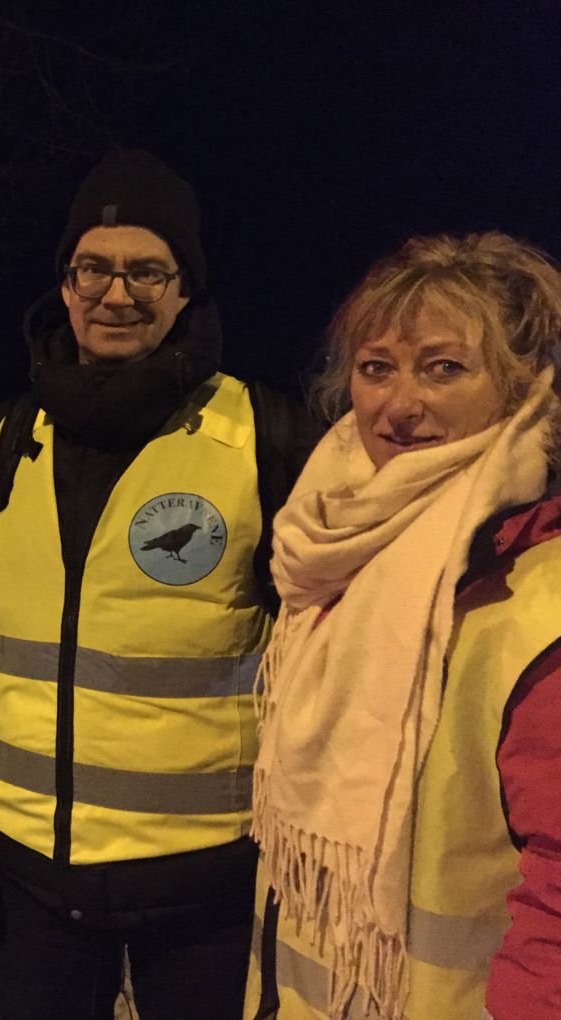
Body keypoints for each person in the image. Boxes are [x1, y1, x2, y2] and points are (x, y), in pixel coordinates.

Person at [0, 149, 318, 1019]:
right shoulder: (8, 442)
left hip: (205, 876)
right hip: (35, 871)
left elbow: (324, 656)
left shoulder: (267, 437)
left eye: (146, 271)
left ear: (184, 290)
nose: (115, 293)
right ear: (64, 283)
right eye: (94, 267)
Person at [245, 233, 561, 1020]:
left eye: (444, 368)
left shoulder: (536, 589)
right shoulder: (330, 539)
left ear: (525, 386)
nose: (398, 404)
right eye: (376, 366)